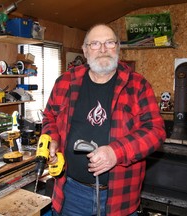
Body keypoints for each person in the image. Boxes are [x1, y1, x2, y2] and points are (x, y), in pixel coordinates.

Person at [41, 23, 166, 216]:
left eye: (109, 43)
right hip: (71, 194)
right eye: (95, 44)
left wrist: (116, 152)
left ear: (118, 47)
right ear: (85, 50)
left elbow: (155, 131)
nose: (103, 49)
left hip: (120, 197)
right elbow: (49, 116)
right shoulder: (65, 81)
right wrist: (53, 140)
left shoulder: (138, 85)